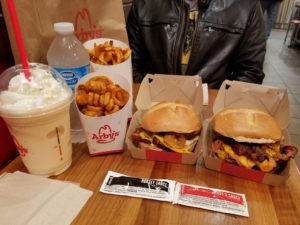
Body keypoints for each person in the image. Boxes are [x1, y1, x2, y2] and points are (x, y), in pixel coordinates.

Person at [126, 0, 266, 88]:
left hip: (212, 114)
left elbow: (250, 73)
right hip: (154, 110)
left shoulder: (246, 6)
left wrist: (213, 101)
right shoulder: (143, 4)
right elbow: (130, 66)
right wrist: (157, 92)